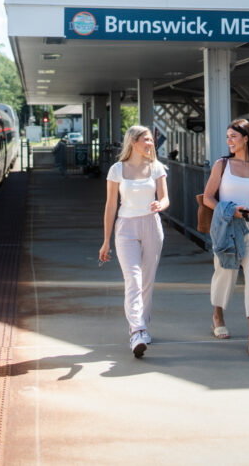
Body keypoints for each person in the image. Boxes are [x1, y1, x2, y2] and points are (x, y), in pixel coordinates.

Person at [201, 119, 249, 357]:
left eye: (233, 136)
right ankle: (218, 316)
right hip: (226, 226)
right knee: (225, 275)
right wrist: (230, 210)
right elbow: (208, 198)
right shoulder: (222, 165)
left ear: (246, 138)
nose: (229, 141)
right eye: (227, 136)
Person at [99, 126, 169, 358]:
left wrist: (161, 205)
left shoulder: (156, 167)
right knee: (134, 280)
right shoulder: (117, 170)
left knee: (147, 280)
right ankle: (136, 330)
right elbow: (110, 206)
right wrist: (106, 241)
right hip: (126, 228)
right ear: (134, 142)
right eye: (146, 140)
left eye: (151, 140)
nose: (150, 144)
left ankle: (143, 326)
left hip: (151, 225)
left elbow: (165, 197)